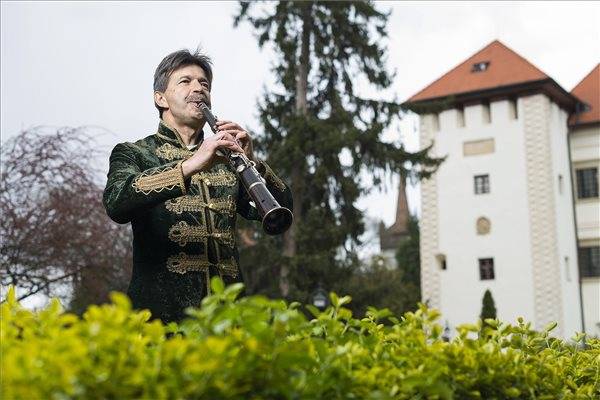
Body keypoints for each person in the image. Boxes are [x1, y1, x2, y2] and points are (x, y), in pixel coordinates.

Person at [102, 48, 292, 324]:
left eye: (204, 84)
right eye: (185, 81)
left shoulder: (230, 159)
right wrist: (189, 166)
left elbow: (283, 210)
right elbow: (116, 202)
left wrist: (253, 163)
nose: (199, 89)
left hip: (228, 323)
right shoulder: (134, 153)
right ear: (160, 98)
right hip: (160, 322)